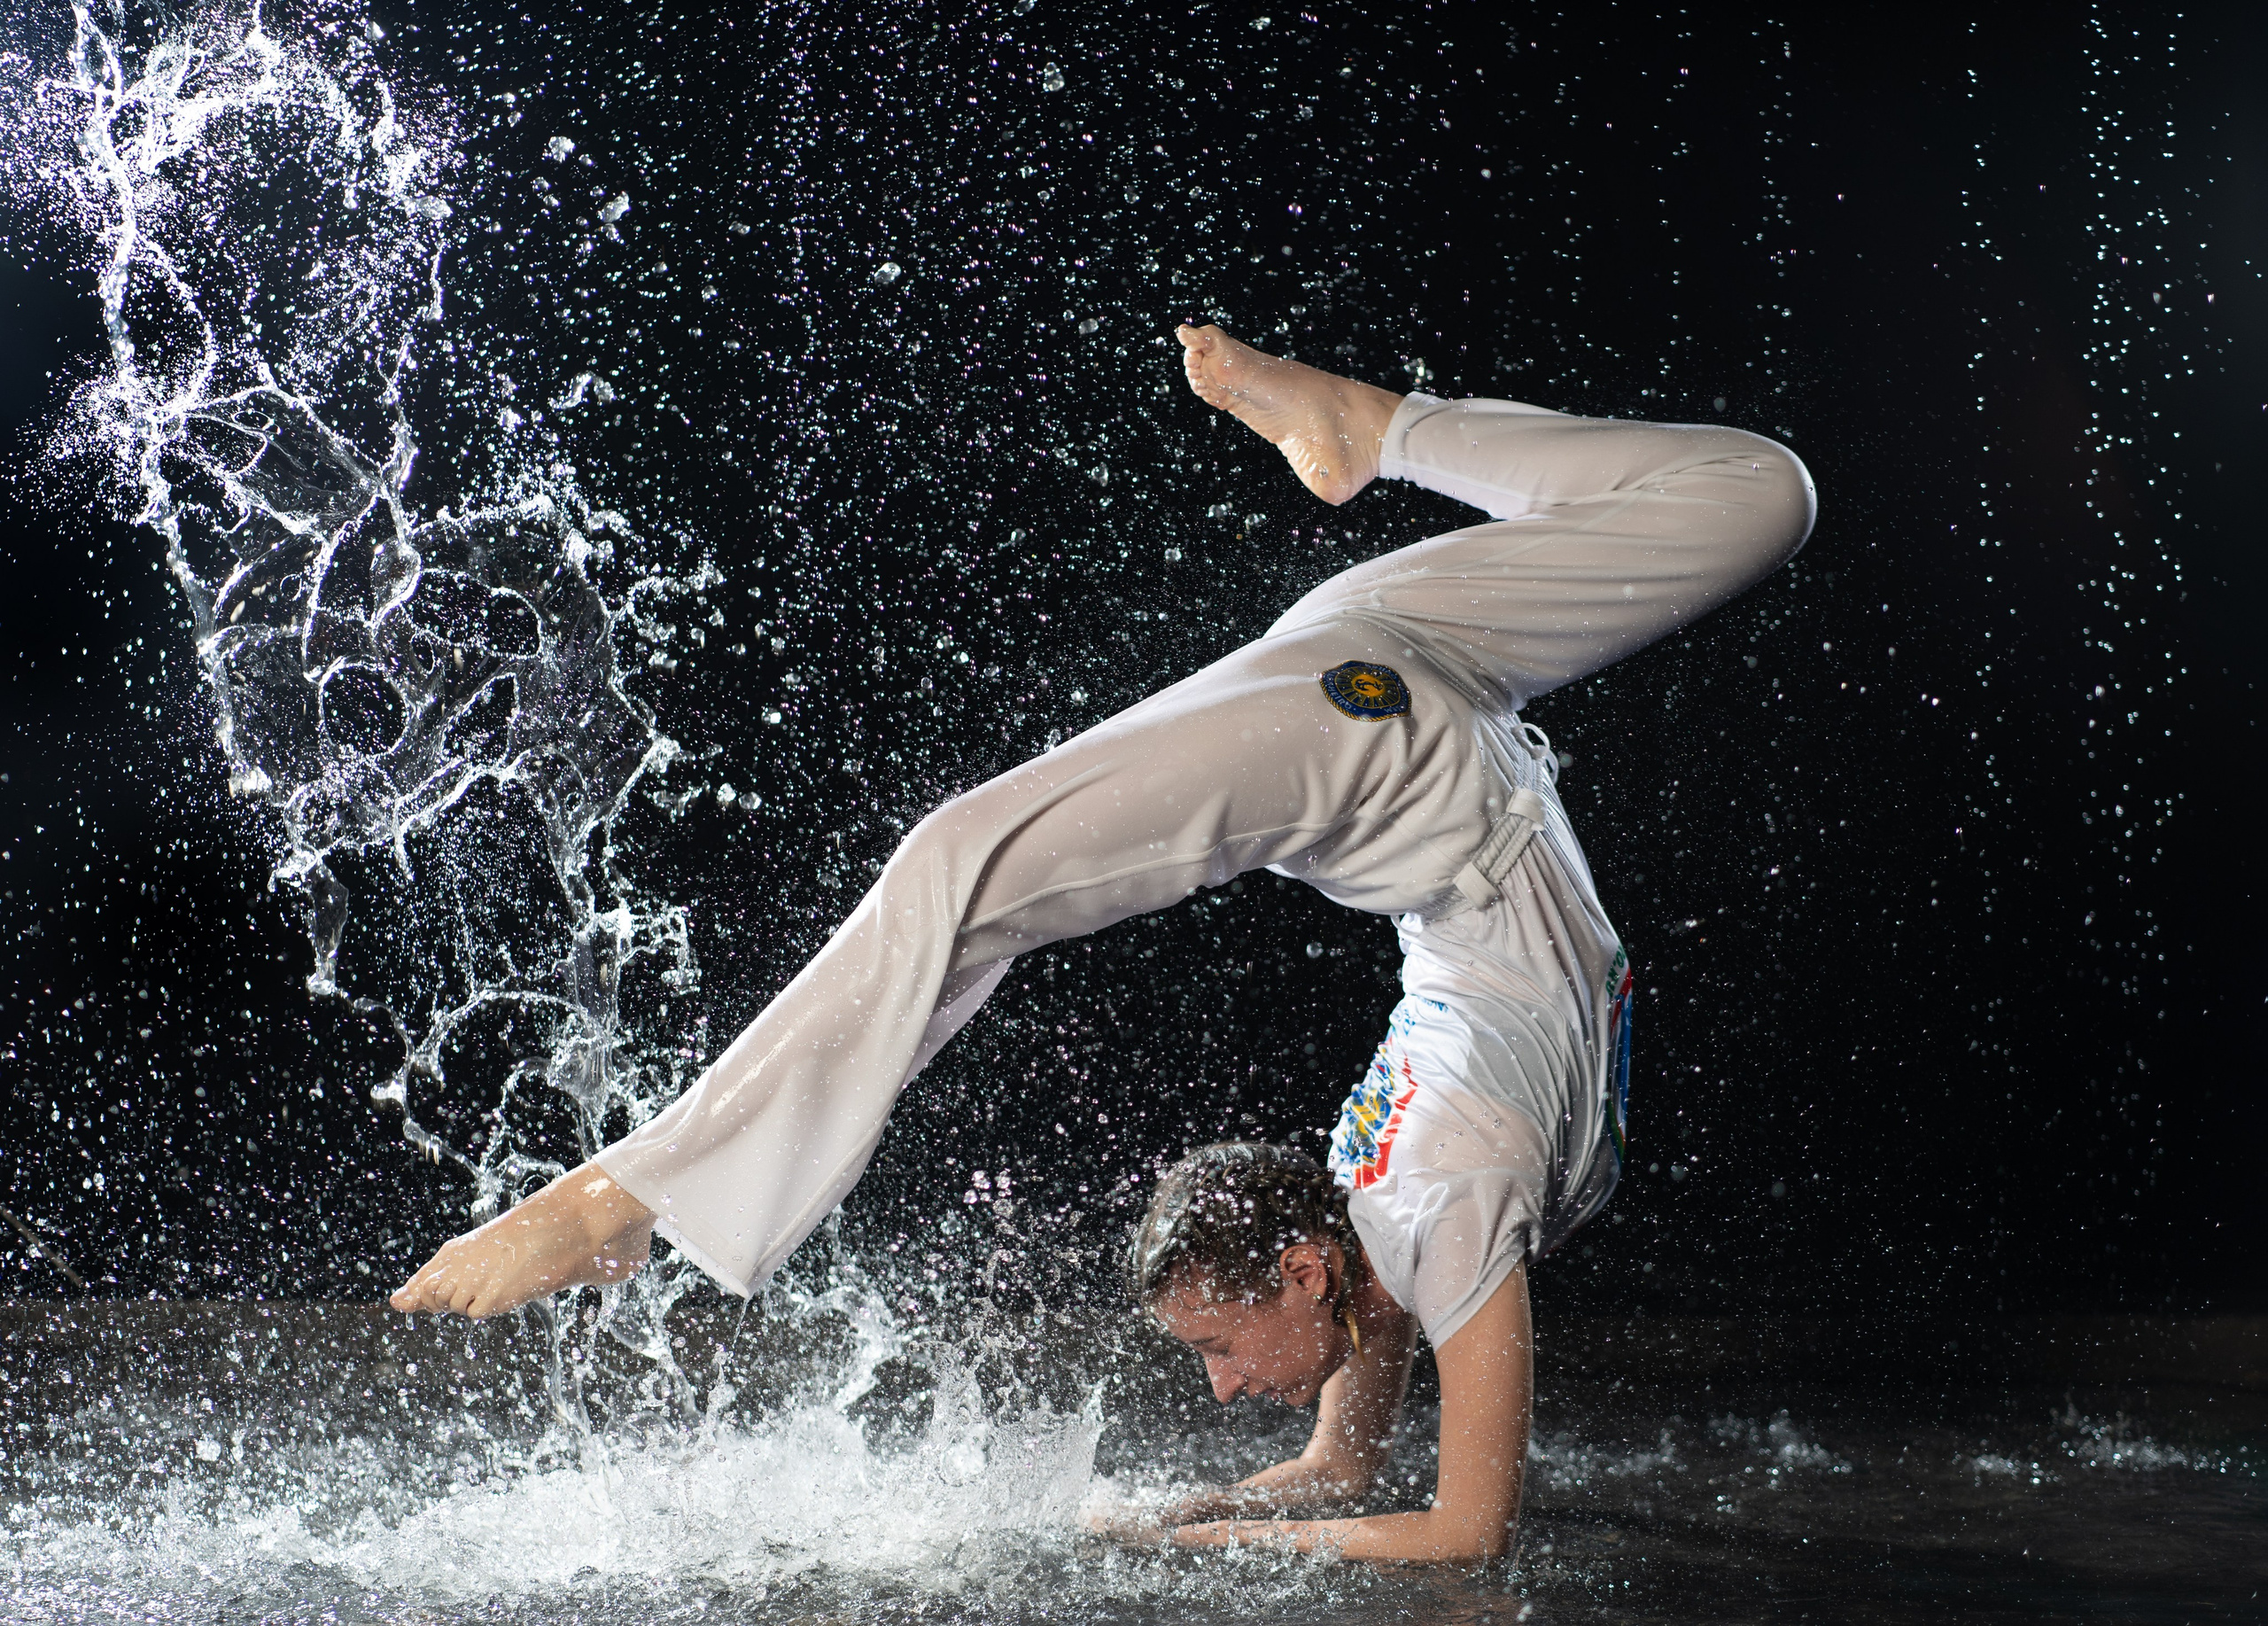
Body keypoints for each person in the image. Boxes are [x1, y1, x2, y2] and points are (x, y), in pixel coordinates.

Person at [391, 323, 1815, 1560]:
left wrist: (1202, 1532)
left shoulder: (1420, 1218)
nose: (1212, 1387)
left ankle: (622, 1194)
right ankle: (1378, 429)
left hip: (1406, 758)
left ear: (1310, 1268)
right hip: (1438, 737)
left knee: (960, 863)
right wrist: (1242, 1499)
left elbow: (1448, 1527)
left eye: (1210, 1345)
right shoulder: (1428, 1223)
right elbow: (1362, 1433)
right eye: (1207, 1356)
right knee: (1762, 492)